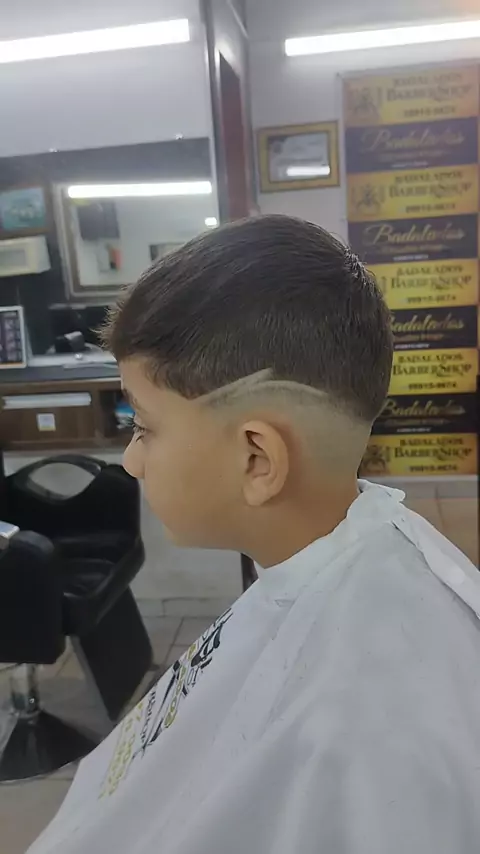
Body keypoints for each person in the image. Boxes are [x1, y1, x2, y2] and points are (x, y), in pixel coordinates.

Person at [29, 216, 480, 854]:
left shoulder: (373, 729)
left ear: (257, 459)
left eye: (144, 426)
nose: (131, 460)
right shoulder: (335, 562)